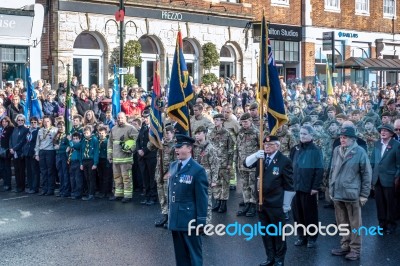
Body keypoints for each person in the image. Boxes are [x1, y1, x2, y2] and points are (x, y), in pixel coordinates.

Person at [244, 135, 294, 266]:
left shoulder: (284, 161)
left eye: (270, 145)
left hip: (276, 204)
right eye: (265, 145)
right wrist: (256, 155)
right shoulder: (261, 158)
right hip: (261, 203)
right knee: (266, 233)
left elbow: (290, 185)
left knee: (278, 233)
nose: (267, 147)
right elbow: (246, 164)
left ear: (277, 146)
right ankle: (270, 257)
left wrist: (286, 206)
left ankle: (279, 259)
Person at [329, 126, 372, 261]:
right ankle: (345, 245)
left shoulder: (360, 152)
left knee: (355, 224)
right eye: (341, 137)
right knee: (342, 222)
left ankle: (355, 249)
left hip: (352, 194)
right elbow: (332, 169)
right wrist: (331, 188)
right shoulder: (337, 150)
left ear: (353, 139)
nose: (342, 140)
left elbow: (366, 174)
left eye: (345, 137)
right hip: (337, 193)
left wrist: (364, 195)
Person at [168, 134, 208, 266]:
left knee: (194, 255)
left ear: (189, 148)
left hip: (190, 219)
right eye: (176, 147)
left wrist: (201, 220)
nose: (176, 149)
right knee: (180, 256)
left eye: (180, 147)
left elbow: (202, 198)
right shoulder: (173, 165)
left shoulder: (198, 170)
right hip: (176, 217)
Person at [290, 125, 324, 248]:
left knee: (310, 214)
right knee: (297, 213)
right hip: (295, 187)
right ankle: (301, 236)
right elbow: (290, 167)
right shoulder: (295, 149)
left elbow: (319, 170)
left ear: (311, 135)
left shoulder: (315, 150)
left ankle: (312, 238)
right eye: (301, 134)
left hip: (308, 188)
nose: (302, 136)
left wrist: (315, 187)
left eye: (305, 134)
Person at [371, 124, 400, 234]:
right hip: (377, 178)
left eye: (385, 131)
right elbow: (373, 161)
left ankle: (391, 224)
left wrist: (396, 178)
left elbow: (399, 165)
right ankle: (381, 224)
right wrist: (372, 176)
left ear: (391, 134)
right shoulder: (377, 144)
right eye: (381, 130)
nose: (382, 132)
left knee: (390, 203)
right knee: (379, 203)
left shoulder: (397, 145)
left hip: (390, 179)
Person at [147, 125, 176, 228]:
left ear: (173, 133)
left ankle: (171, 217)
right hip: (159, 173)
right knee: (162, 196)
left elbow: (177, 163)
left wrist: (170, 173)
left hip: (169, 174)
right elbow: (149, 147)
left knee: (169, 196)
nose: (166, 136)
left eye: (168, 133)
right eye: (164, 133)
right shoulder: (160, 143)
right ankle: (165, 215)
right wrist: (155, 137)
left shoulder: (175, 145)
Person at [107, 112, 138, 202]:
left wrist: (130, 149)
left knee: (126, 178)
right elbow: (110, 143)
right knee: (117, 177)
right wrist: (109, 155)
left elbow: (136, 140)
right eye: (118, 118)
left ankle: (128, 196)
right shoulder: (113, 129)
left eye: (122, 118)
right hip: (115, 159)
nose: (120, 119)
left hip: (126, 159)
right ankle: (118, 194)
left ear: (125, 118)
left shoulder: (131, 128)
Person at [209, 113, 234, 213]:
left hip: (224, 162)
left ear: (222, 121)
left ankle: (223, 203)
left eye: (217, 120)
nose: (215, 122)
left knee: (224, 183)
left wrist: (229, 163)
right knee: (216, 183)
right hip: (214, 162)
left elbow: (230, 149)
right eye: (214, 120)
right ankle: (218, 201)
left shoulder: (227, 133)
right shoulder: (211, 133)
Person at [136, 109, 158, 205]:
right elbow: (138, 140)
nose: (145, 119)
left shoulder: (154, 128)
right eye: (144, 117)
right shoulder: (143, 127)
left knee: (151, 177)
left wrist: (144, 151)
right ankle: (147, 196)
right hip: (142, 156)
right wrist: (138, 149)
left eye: (147, 117)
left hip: (150, 155)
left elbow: (153, 142)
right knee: (145, 177)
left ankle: (153, 197)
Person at [9, 114, 29, 193]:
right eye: (19, 120)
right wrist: (11, 148)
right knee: (16, 170)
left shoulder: (26, 130)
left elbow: (23, 141)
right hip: (14, 152)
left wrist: (14, 149)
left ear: (24, 121)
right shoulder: (15, 129)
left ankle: (22, 186)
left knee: (21, 170)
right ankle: (17, 186)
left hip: (20, 152)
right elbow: (10, 139)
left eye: (22, 120)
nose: (20, 121)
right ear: (16, 121)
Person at [80, 125, 99, 201]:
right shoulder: (83, 140)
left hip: (91, 161)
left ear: (91, 132)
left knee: (91, 178)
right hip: (85, 161)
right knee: (87, 177)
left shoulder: (94, 139)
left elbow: (96, 152)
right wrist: (81, 163)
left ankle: (92, 194)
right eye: (84, 133)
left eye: (87, 133)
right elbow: (81, 151)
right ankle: (89, 193)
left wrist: (95, 163)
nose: (86, 134)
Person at [22, 116, 40, 193]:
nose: (33, 124)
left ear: (37, 123)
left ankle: (35, 187)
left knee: (34, 170)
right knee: (29, 170)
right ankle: (30, 186)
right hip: (27, 152)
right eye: (32, 122)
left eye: (35, 122)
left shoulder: (38, 130)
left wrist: (36, 153)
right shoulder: (29, 131)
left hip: (34, 152)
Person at [54, 121, 71, 197]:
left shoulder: (66, 136)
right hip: (58, 155)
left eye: (62, 126)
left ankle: (66, 190)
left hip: (64, 155)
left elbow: (69, 145)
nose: (60, 128)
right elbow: (55, 143)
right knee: (60, 173)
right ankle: (61, 189)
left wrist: (60, 147)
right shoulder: (57, 135)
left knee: (65, 173)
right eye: (59, 126)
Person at [0, 116, 14, 191]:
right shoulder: (2, 129)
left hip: (7, 151)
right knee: (2, 168)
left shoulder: (10, 129)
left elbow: (11, 140)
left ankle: (8, 184)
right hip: (1, 150)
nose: (4, 123)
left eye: (5, 121)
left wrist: (10, 149)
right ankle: (5, 183)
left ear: (8, 122)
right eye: (3, 122)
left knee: (7, 168)